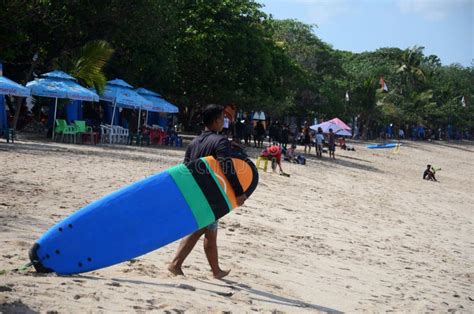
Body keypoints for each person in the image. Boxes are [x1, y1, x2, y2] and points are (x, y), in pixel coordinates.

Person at [168, 104, 247, 279]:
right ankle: (175, 264)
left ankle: (216, 270)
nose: (223, 121)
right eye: (222, 118)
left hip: (195, 192)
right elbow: (227, 166)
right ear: (217, 120)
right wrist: (238, 192)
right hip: (211, 194)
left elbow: (185, 168)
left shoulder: (194, 142)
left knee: (210, 232)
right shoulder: (220, 141)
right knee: (201, 227)